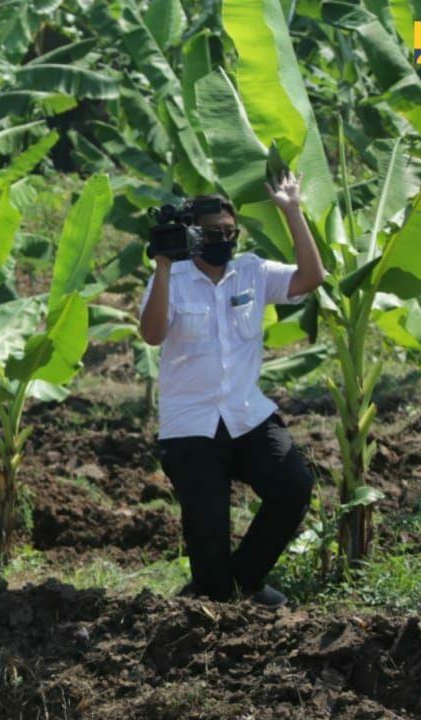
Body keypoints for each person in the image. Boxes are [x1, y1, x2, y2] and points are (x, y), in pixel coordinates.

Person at [139, 173, 325, 607]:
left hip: (247, 416)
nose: (222, 240)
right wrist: (163, 266)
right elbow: (151, 334)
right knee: (209, 555)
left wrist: (292, 210)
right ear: (191, 235)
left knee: (294, 486)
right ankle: (217, 591)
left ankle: (247, 579)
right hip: (191, 428)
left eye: (229, 232)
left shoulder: (252, 271)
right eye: (211, 234)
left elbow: (310, 277)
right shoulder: (173, 277)